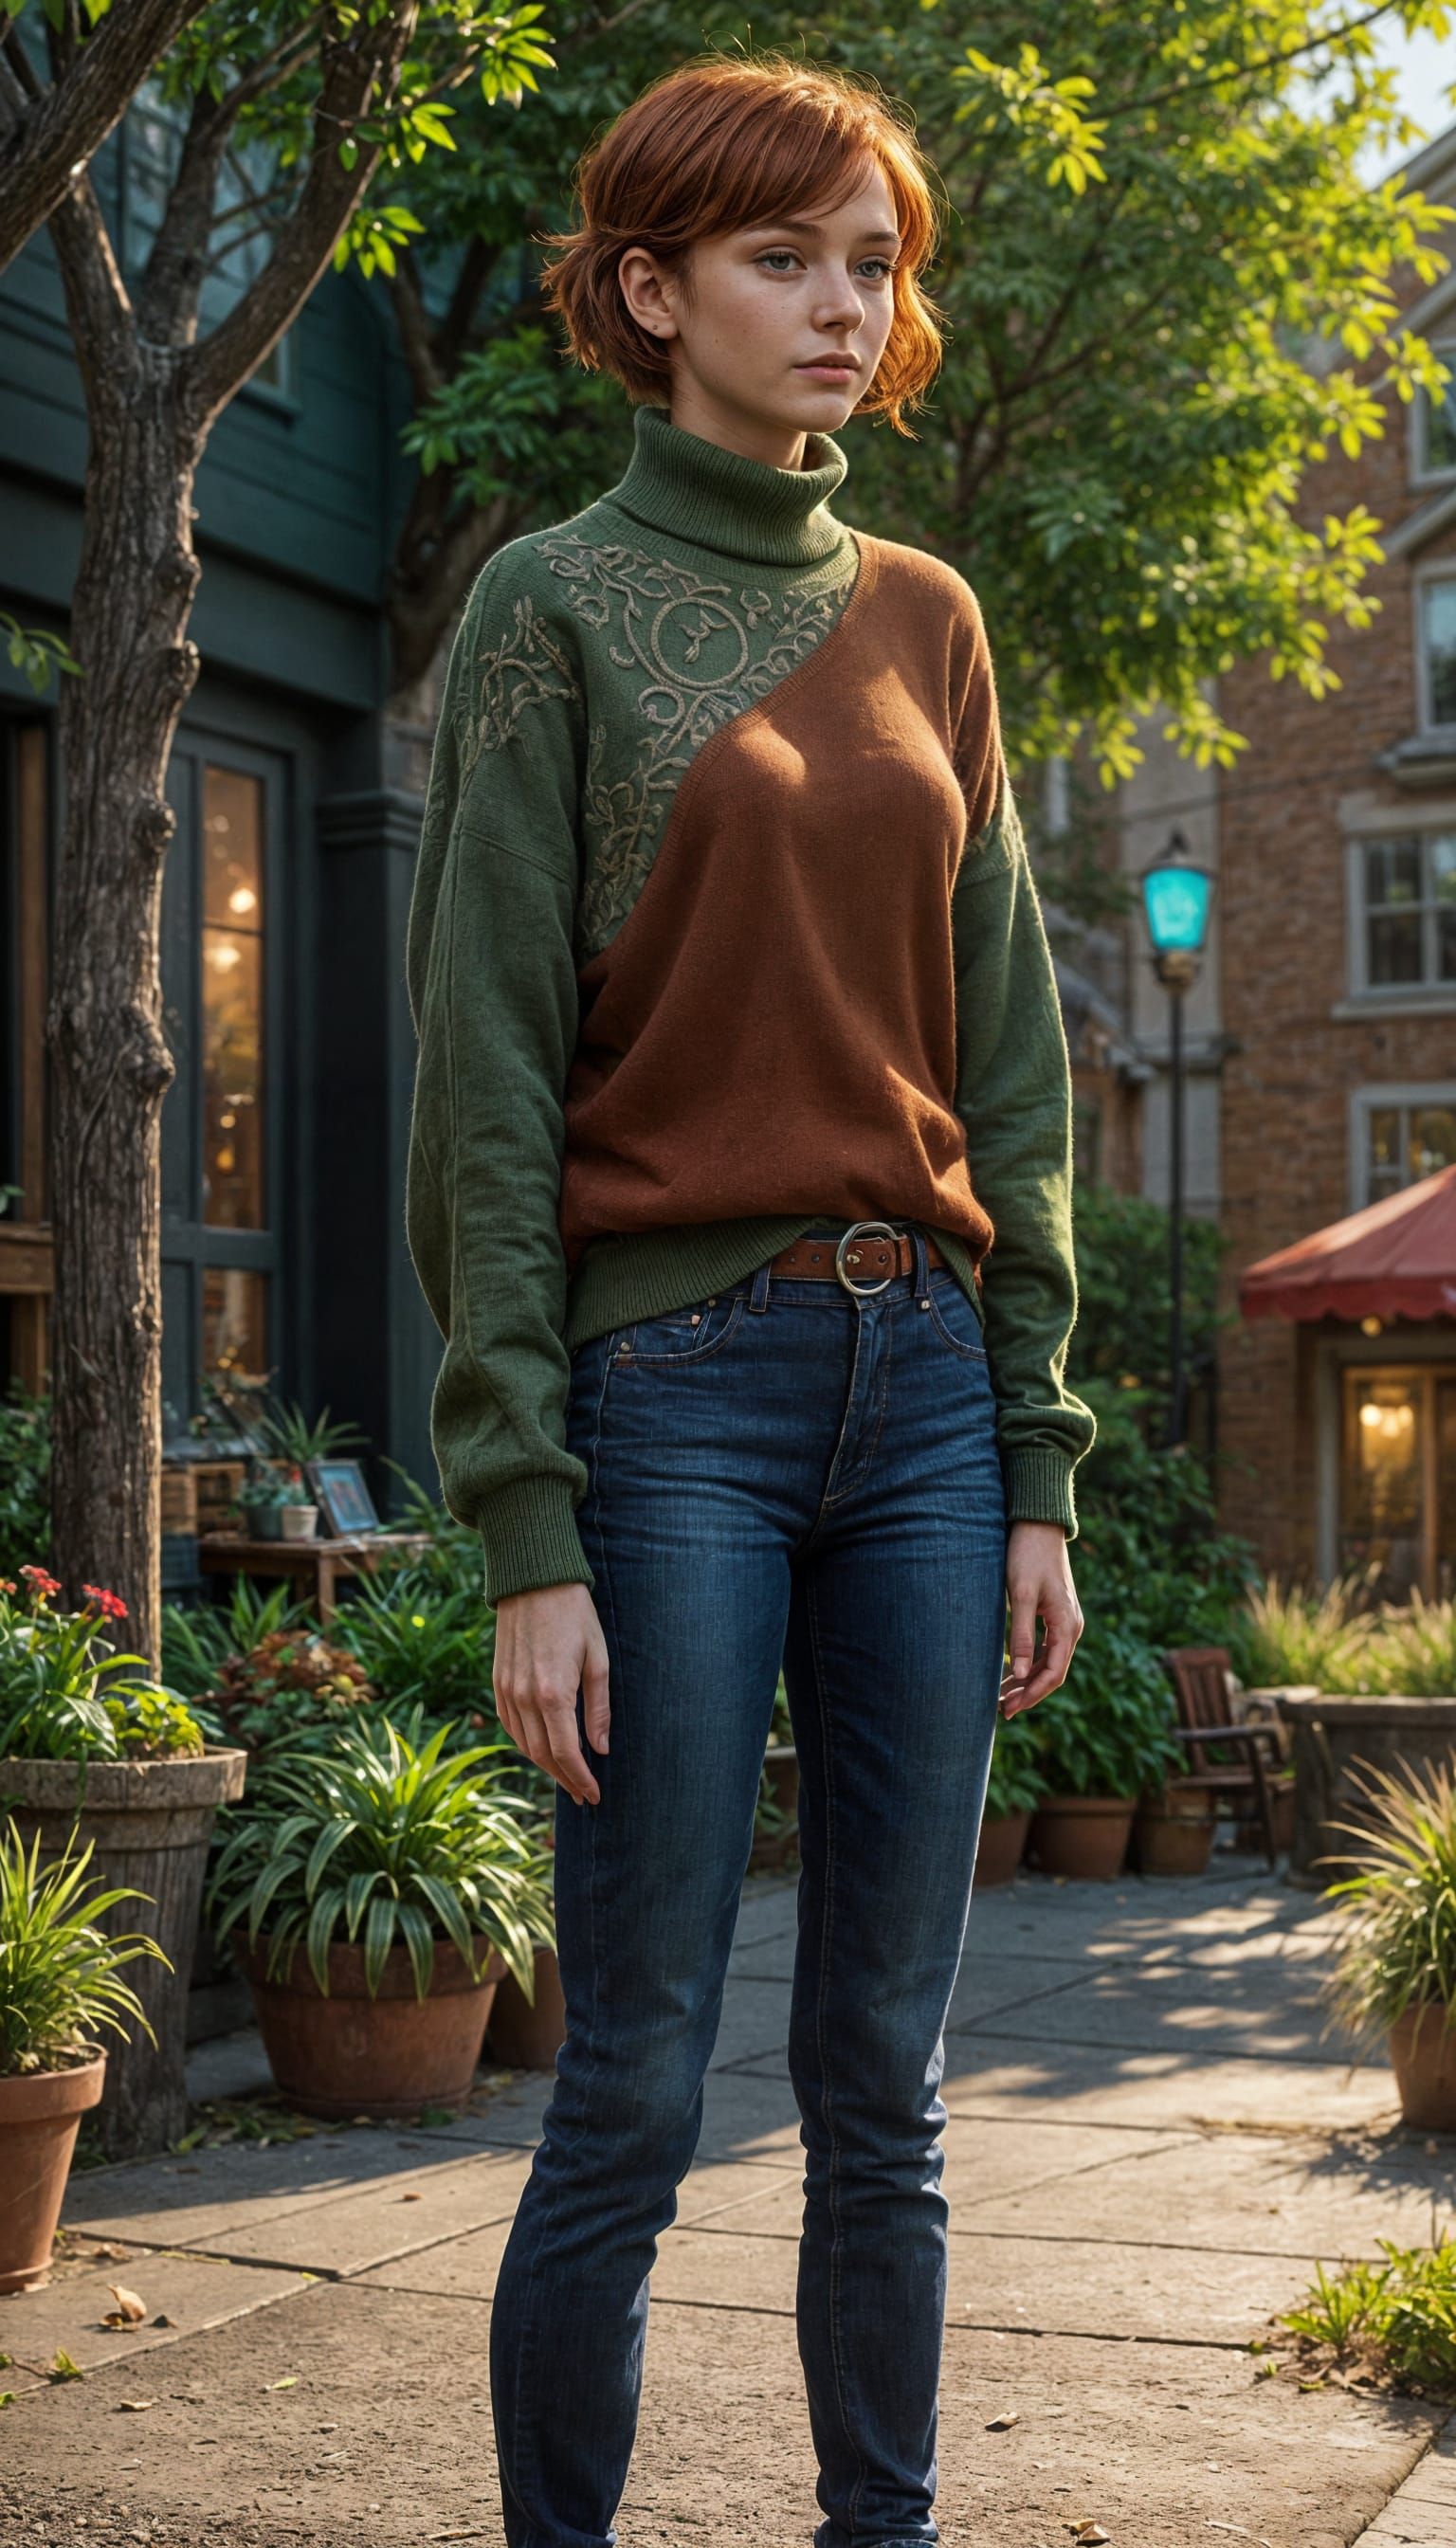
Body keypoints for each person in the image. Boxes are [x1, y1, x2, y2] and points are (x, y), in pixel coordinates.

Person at [403, 50, 1095, 2548]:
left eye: (871, 260)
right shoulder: (550, 607)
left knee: (887, 2085)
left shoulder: (931, 620)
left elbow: (1005, 1074)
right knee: (636, 2074)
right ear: (650, 285)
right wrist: (525, 1522)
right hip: (666, 1403)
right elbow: (481, 1086)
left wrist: (1037, 1466)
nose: (841, 303)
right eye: (785, 256)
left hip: (924, 1398)